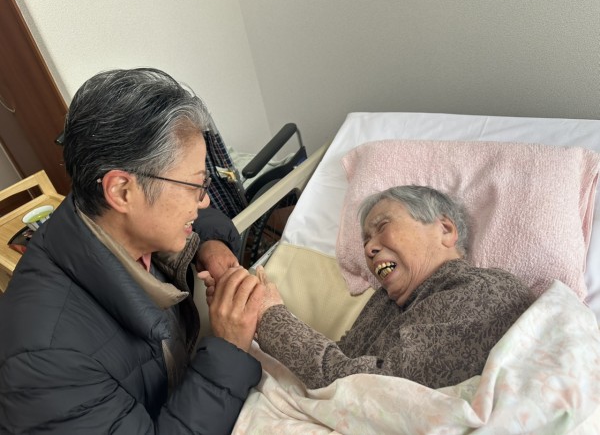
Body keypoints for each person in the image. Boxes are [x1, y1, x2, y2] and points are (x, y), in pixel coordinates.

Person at [0, 68, 264, 434]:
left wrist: (210, 245)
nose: (203, 201)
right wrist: (228, 349)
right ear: (122, 191)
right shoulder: (47, 364)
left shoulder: (93, 210)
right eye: (195, 186)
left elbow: (194, 216)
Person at [249, 185, 536, 389]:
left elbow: (367, 387)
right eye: (366, 241)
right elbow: (340, 358)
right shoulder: (386, 302)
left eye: (383, 226)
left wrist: (271, 315)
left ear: (445, 230)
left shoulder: (486, 292)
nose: (369, 248)